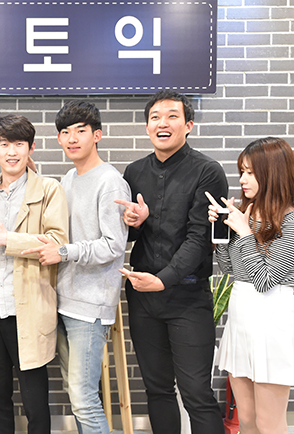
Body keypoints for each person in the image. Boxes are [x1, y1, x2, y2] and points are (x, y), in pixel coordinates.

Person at [115, 90, 227, 434]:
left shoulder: (208, 171)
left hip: (187, 297)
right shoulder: (134, 171)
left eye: (172, 116)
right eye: (155, 117)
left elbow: (201, 239)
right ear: (147, 126)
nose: (162, 123)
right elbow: (128, 236)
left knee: (196, 393)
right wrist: (134, 223)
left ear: (188, 125)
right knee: (157, 389)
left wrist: (163, 279)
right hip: (143, 298)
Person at [22, 101, 130, 434]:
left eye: (81, 131)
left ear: (97, 135)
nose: (72, 138)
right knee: (77, 394)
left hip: (90, 305)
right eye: (65, 132)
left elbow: (113, 246)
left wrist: (64, 252)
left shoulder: (110, 181)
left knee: (83, 399)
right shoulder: (69, 178)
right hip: (64, 301)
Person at [207, 137, 294, 434]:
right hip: (241, 320)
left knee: (269, 423)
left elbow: (264, 280)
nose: (242, 180)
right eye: (242, 171)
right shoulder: (247, 215)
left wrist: (244, 233)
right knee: (246, 420)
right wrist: (223, 233)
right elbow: (231, 270)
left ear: (273, 173)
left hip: (271, 324)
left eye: (250, 172)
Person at [0, 115, 68, 434]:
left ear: (31, 148)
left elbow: (57, 243)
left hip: (27, 305)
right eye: (4, 145)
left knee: (34, 399)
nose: (12, 152)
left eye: (19, 144)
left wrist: (6, 238)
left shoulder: (49, 189)